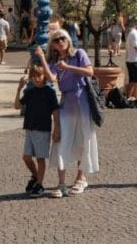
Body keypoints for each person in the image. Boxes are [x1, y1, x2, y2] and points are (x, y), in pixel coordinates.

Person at [40, 30, 98, 198]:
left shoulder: (79, 54)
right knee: (61, 140)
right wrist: (43, 58)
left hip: (83, 102)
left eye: (62, 38)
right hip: (66, 102)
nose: (60, 41)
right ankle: (61, 183)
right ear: (53, 45)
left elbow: (90, 71)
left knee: (83, 139)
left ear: (68, 40)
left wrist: (68, 67)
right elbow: (51, 78)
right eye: (56, 40)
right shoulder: (55, 61)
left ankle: (81, 178)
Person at [14, 63, 60, 198]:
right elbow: (17, 106)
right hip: (29, 128)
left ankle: (39, 184)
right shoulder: (29, 92)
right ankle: (35, 177)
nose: (36, 79)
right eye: (33, 76)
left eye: (39, 75)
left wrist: (56, 128)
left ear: (44, 75)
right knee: (26, 157)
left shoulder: (49, 92)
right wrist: (19, 89)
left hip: (43, 129)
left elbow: (55, 111)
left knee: (40, 158)